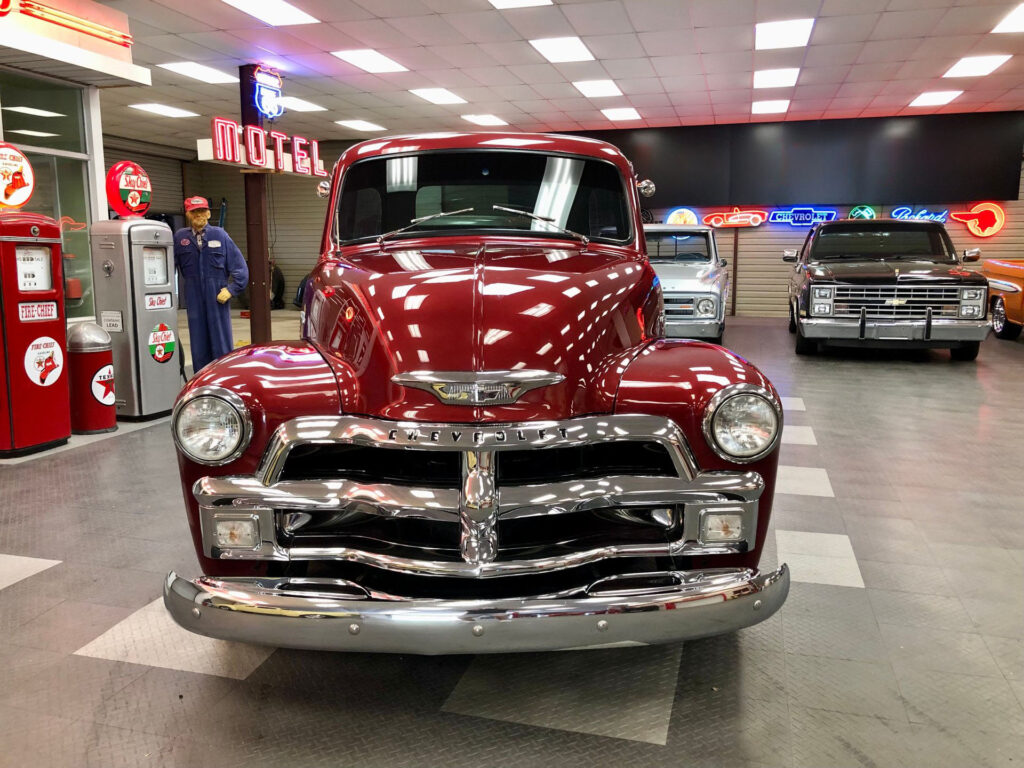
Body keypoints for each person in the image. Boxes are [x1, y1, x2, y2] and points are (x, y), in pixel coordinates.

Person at [173, 196, 248, 373]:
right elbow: (168, 268)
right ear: (188, 214)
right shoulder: (180, 238)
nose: (199, 215)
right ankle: (202, 382)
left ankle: (225, 379)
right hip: (193, 296)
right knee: (199, 345)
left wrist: (231, 290)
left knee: (221, 344)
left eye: (201, 211)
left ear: (208, 213)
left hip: (217, 297)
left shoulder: (220, 235)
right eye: (194, 212)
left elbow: (240, 267)